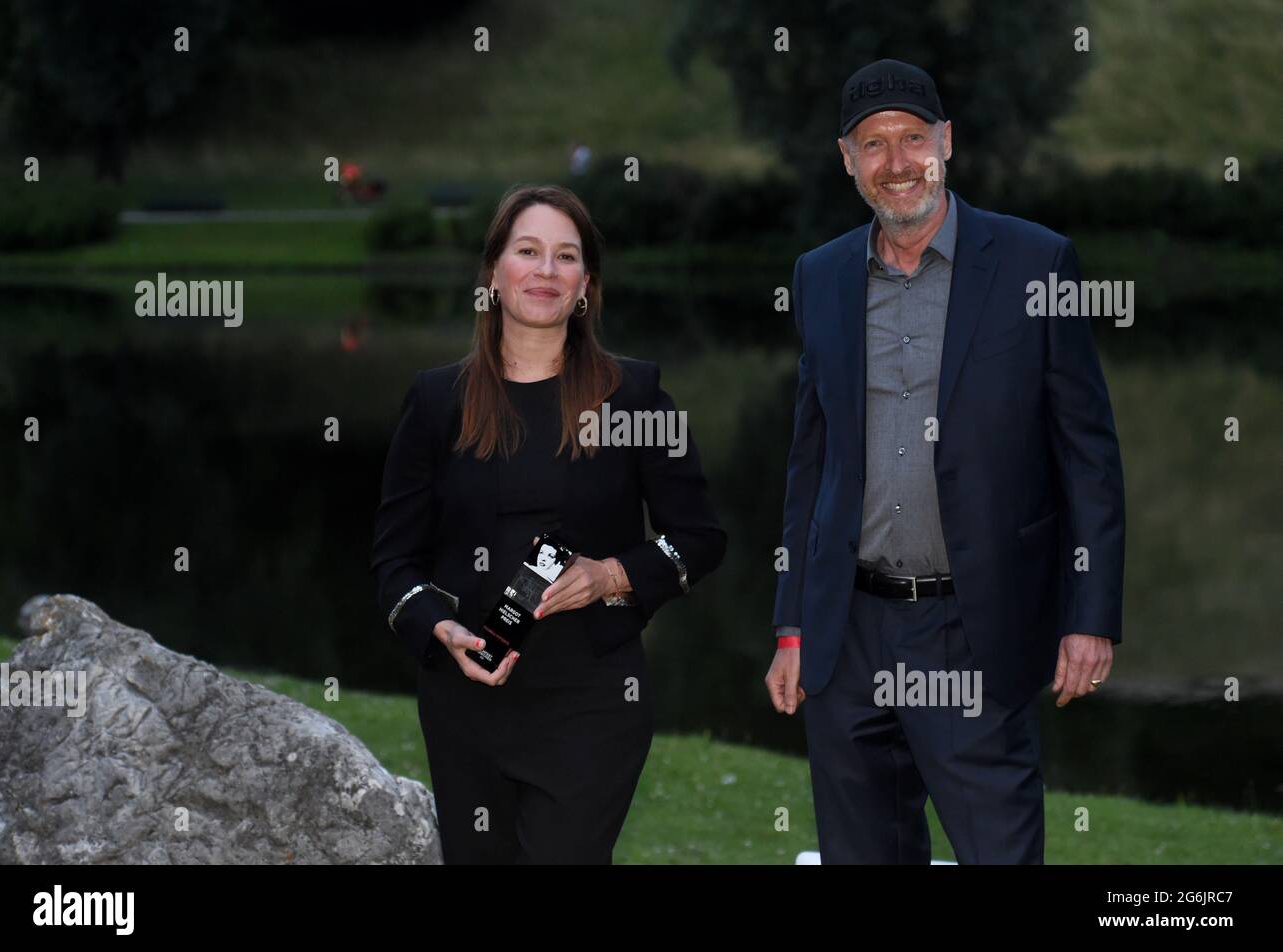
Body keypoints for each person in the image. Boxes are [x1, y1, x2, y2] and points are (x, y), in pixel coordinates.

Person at [765, 59, 1125, 864]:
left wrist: (1089, 613)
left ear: (947, 142)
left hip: (974, 625)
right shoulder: (819, 277)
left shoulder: (1037, 263)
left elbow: (1088, 456)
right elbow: (807, 462)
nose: (897, 162)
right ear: (847, 159)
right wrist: (791, 621)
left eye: (913, 139)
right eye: (874, 144)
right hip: (846, 631)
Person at [371, 184, 727, 864]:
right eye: (527, 251)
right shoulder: (435, 400)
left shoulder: (637, 394)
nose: (545, 271)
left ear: (586, 284)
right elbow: (393, 564)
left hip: (593, 699)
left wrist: (611, 576)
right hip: (465, 700)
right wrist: (438, 629)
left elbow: (701, 537)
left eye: (566, 257)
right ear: (494, 274)